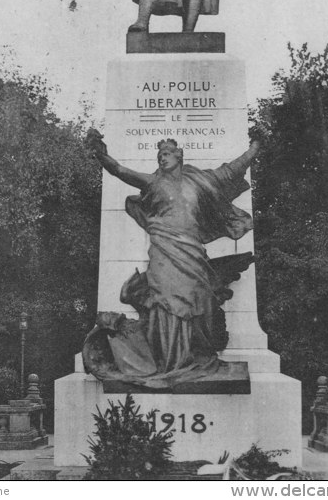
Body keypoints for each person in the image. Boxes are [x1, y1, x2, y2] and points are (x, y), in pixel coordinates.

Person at [85, 131, 259, 387]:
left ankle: (193, 358)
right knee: (165, 300)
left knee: (198, 300)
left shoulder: (201, 181)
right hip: (164, 249)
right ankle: (168, 361)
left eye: (166, 154)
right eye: (159, 156)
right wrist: (101, 154)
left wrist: (255, 146)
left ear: (179, 156)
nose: (162, 159)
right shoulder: (154, 183)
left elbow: (233, 169)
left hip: (192, 251)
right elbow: (120, 170)